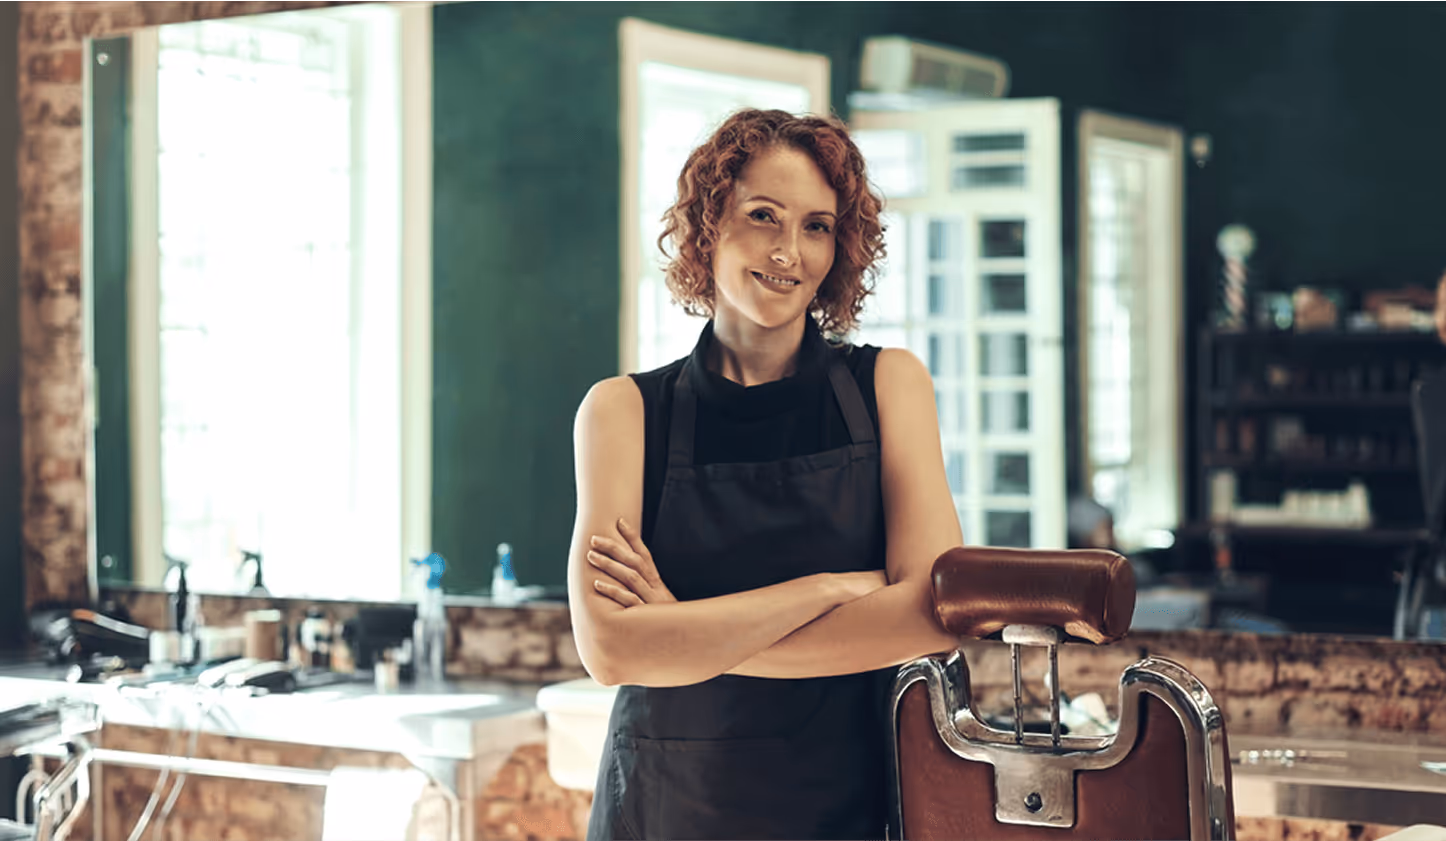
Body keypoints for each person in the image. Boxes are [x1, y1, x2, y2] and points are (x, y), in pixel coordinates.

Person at [567, 109, 963, 840]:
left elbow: (933, 616)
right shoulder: (623, 412)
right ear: (707, 223)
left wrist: (683, 635)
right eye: (762, 216)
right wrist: (829, 591)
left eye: (817, 226)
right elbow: (612, 649)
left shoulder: (888, 386)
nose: (789, 251)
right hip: (665, 809)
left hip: (847, 806)